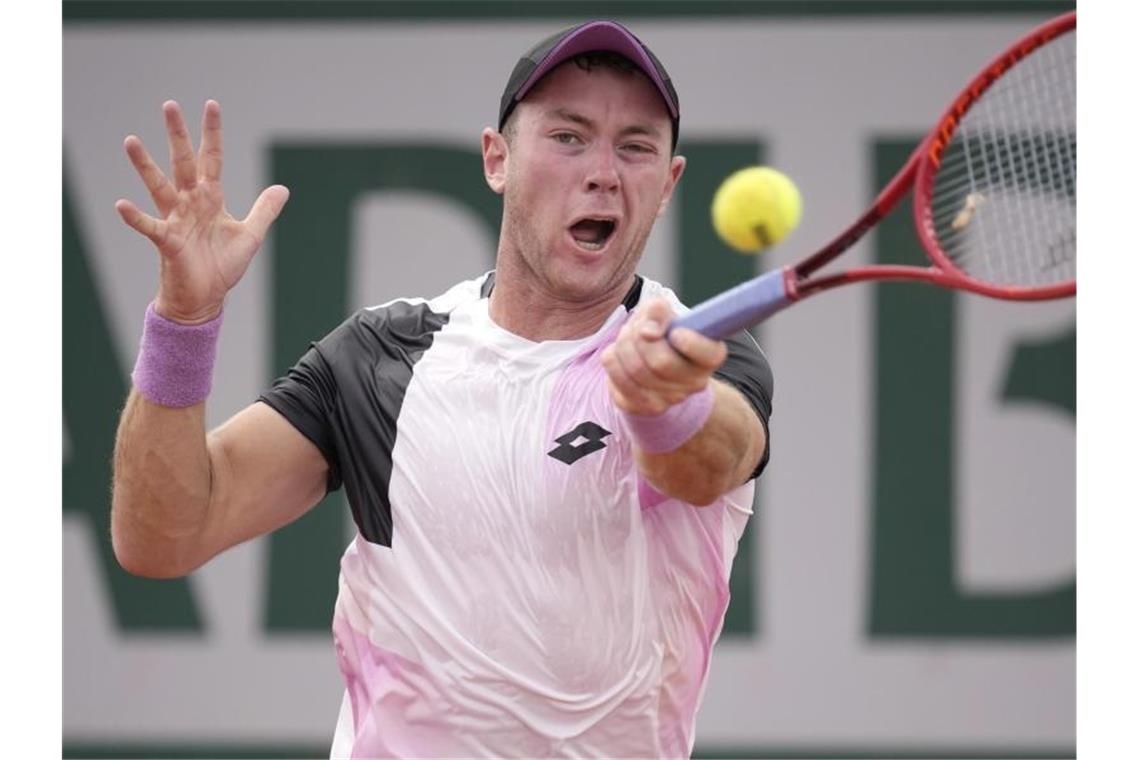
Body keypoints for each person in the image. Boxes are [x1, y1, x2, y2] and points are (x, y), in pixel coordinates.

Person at [111, 19, 773, 758]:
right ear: (498, 159)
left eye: (636, 146)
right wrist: (184, 322)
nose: (603, 172)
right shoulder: (380, 359)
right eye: (568, 136)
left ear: (666, 183)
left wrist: (664, 399)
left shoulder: (696, 352)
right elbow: (162, 538)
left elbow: (709, 462)